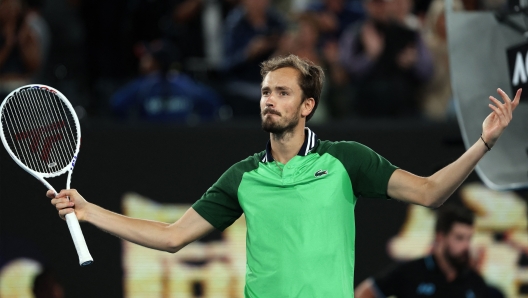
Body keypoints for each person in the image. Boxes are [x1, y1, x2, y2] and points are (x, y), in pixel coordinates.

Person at [49, 54, 521, 297]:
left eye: (281, 92)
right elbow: (173, 237)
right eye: (264, 92)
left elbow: (431, 192)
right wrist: (90, 212)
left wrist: (483, 143)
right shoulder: (243, 177)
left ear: (307, 106)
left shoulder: (346, 161)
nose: (268, 100)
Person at [354, 205, 496, 298]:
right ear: (441, 237)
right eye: (459, 238)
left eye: (469, 239)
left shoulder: (475, 282)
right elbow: (365, 293)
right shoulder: (411, 272)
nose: (466, 246)